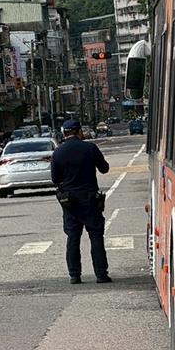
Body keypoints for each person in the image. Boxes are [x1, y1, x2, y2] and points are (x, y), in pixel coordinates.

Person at [50, 119, 111, 284]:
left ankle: (74, 275)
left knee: (73, 237)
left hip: (69, 201)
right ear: (79, 132)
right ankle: (101, 274)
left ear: (64, 133)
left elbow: (55, 179)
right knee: (96, 236)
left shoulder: (58, 152)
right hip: (90, 198)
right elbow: (104, 168)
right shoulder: (90, 148)